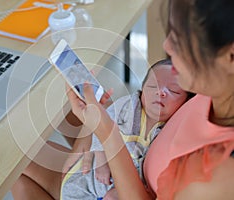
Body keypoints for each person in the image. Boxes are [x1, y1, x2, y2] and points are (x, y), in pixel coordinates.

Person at [12, 0, 234, 199]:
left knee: (12, 164)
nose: (166, 46)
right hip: (121, 158)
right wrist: (90, 135)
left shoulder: (219, 177)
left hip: (117, 185)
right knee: (55, 109)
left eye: (179, 38)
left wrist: (105, 133)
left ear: (230, 56)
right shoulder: (215, 92)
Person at [60, 59, 193, 200]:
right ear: (142, 90)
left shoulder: (169, 129)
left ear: (186, 103)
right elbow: (100, 130)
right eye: (153, 86)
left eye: (173, 91)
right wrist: (101, 162)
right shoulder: (126, 107)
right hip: (90, 179)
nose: (161, 92)